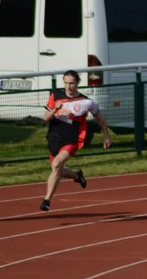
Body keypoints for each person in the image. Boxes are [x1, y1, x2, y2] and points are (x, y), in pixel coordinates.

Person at [40, 70, 111, 211]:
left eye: (72, 83)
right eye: (66, 83)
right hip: (54, 136)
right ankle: (77, 176)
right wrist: (55, 109)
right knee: (57, 169)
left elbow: (101, 120)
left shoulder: (87, 102)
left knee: (56, 165)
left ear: (78, 83)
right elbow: (46, 118)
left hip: (72, 139)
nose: (68, 86)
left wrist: (107, 136)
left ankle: (46, 200)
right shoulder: (56, 96)